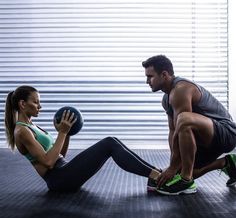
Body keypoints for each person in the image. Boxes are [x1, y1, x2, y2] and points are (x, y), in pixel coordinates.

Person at [4, 85, 161, 193]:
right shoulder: (21, 131)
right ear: (23, 104)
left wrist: (67, 135)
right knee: (109, 143)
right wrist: (62, 133)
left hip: (64, 171)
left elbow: (59, 156)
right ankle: (157, 178)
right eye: (36, 102)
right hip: (59, 180)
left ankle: (157, 173)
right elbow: (48, 162)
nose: (40, 106)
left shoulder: (33, 126)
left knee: (111, 140)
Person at [142, 55, 236, 195]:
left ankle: (186, 182)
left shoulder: (181, 89)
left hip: (226, 133)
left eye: (150, 76)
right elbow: (173, 132)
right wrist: (173, 167)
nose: (147, 81)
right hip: (205, 139)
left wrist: (173, 167)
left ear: (164, 75)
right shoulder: (166, 99)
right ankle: (227, 163)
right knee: (185, 170)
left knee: (184, 119)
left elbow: (183, 124)